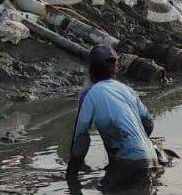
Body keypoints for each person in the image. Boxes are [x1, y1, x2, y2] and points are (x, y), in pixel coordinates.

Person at [67, 45, 158, 191]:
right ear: (115, 69)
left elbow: (81, 138)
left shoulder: (90, 93)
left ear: (90, 70)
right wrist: (136, 145)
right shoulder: (127, 90)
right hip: (149, 158)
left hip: (126, 161)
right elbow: (148, 123)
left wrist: (71, 174)